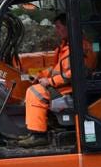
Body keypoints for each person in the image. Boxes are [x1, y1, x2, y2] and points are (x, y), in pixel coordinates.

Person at [19, 13, 93, 147]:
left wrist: (50, 82)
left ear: (68, 27)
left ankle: (38, 135)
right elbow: (56, 69)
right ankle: (33, 132)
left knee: (35, 92)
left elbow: (76, 73)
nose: (56, 31)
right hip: (63, 87)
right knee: (35, 87)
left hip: (71, 90)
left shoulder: (79, 47)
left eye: (59, 27)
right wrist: (41, 75)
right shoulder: (66, 47)